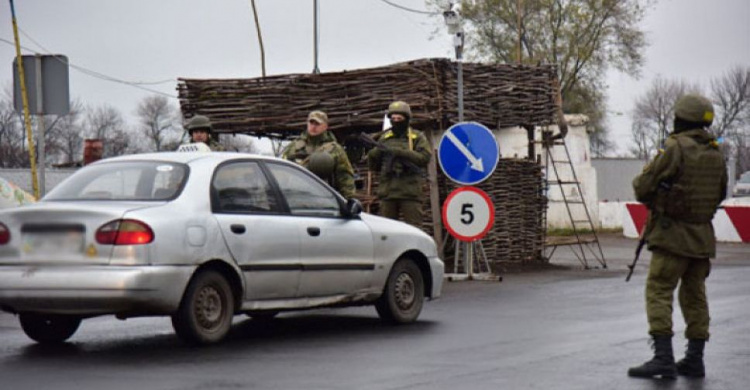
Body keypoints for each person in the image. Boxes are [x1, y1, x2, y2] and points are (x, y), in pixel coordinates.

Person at [628, 94, 728, 379]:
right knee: (695, 296)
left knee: (659, 290)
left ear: (681, 117)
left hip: (672, 235)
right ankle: (695, 359)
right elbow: (720, 193)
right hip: (702, 237)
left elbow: (642, 186)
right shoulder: (715, 152)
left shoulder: (674, 147)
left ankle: (663, 358)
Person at [367, 101, 432, 228]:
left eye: (400, 118)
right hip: (388, 192)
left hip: (410, 192)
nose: (396, 121)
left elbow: (424, 158)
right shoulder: (384, 138)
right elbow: (373, 165)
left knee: (415, 229)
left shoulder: (416, 137)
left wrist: (402, 153)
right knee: (388, 230)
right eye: (393, 118)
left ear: (406, 119)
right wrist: (376, 152)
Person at [281, 110, 356, 199]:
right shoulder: (293, 147)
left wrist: (349, 199)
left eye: (317, 124)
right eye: (311, 123)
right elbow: (282, 172)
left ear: (325, 126)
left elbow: (345, 176)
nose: (313, 126)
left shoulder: (335, 149)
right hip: (296, 197)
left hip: (324, 199)